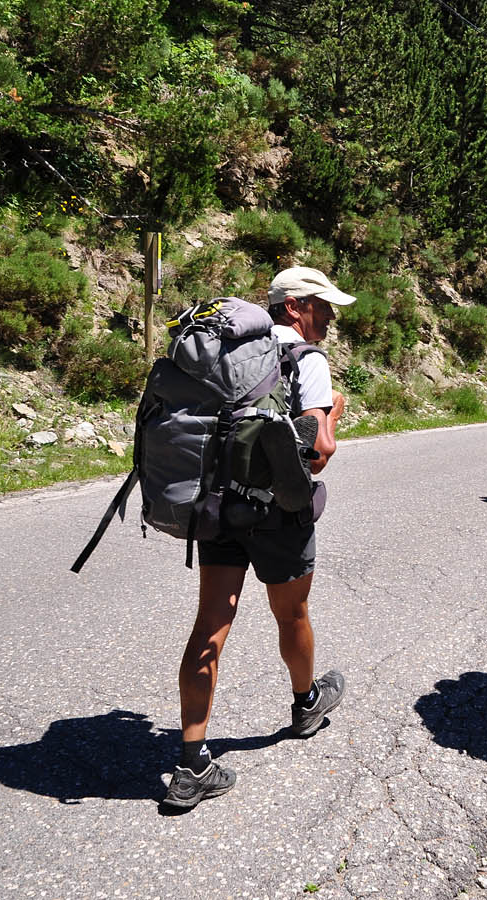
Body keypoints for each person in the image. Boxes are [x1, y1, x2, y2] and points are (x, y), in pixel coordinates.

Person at [164, 266, 353, 809]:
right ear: (294, 306)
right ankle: (306, 704)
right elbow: (317, 453)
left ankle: (190, 765)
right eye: (322, 305)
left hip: (219, 506)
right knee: (291, 615)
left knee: (210, 625)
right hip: (277, 513)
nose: (330, 316)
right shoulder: (305, 358)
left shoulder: (225, 353)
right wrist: (334, 413)